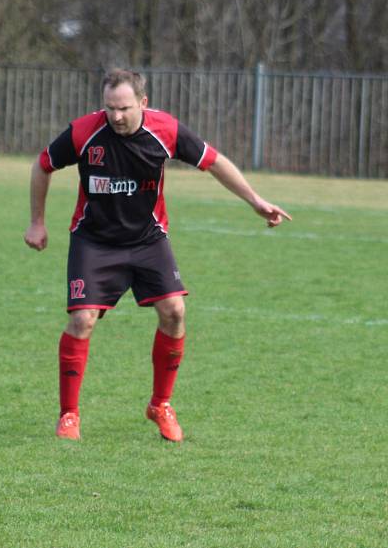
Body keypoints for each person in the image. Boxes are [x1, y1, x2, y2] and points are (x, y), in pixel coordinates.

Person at [24, 69, 291, 443]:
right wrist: (37, 221)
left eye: (124, 108)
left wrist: (256, 201)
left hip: (148, 240)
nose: (116, 116)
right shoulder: (85, 132)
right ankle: (69, 414)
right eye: (110, 108)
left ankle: (160, 405)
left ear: (143, 103)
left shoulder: (165, 131)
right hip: (95, 241)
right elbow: (43, 165)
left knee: (175, 311)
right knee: (83, 320)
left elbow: (214, 161)